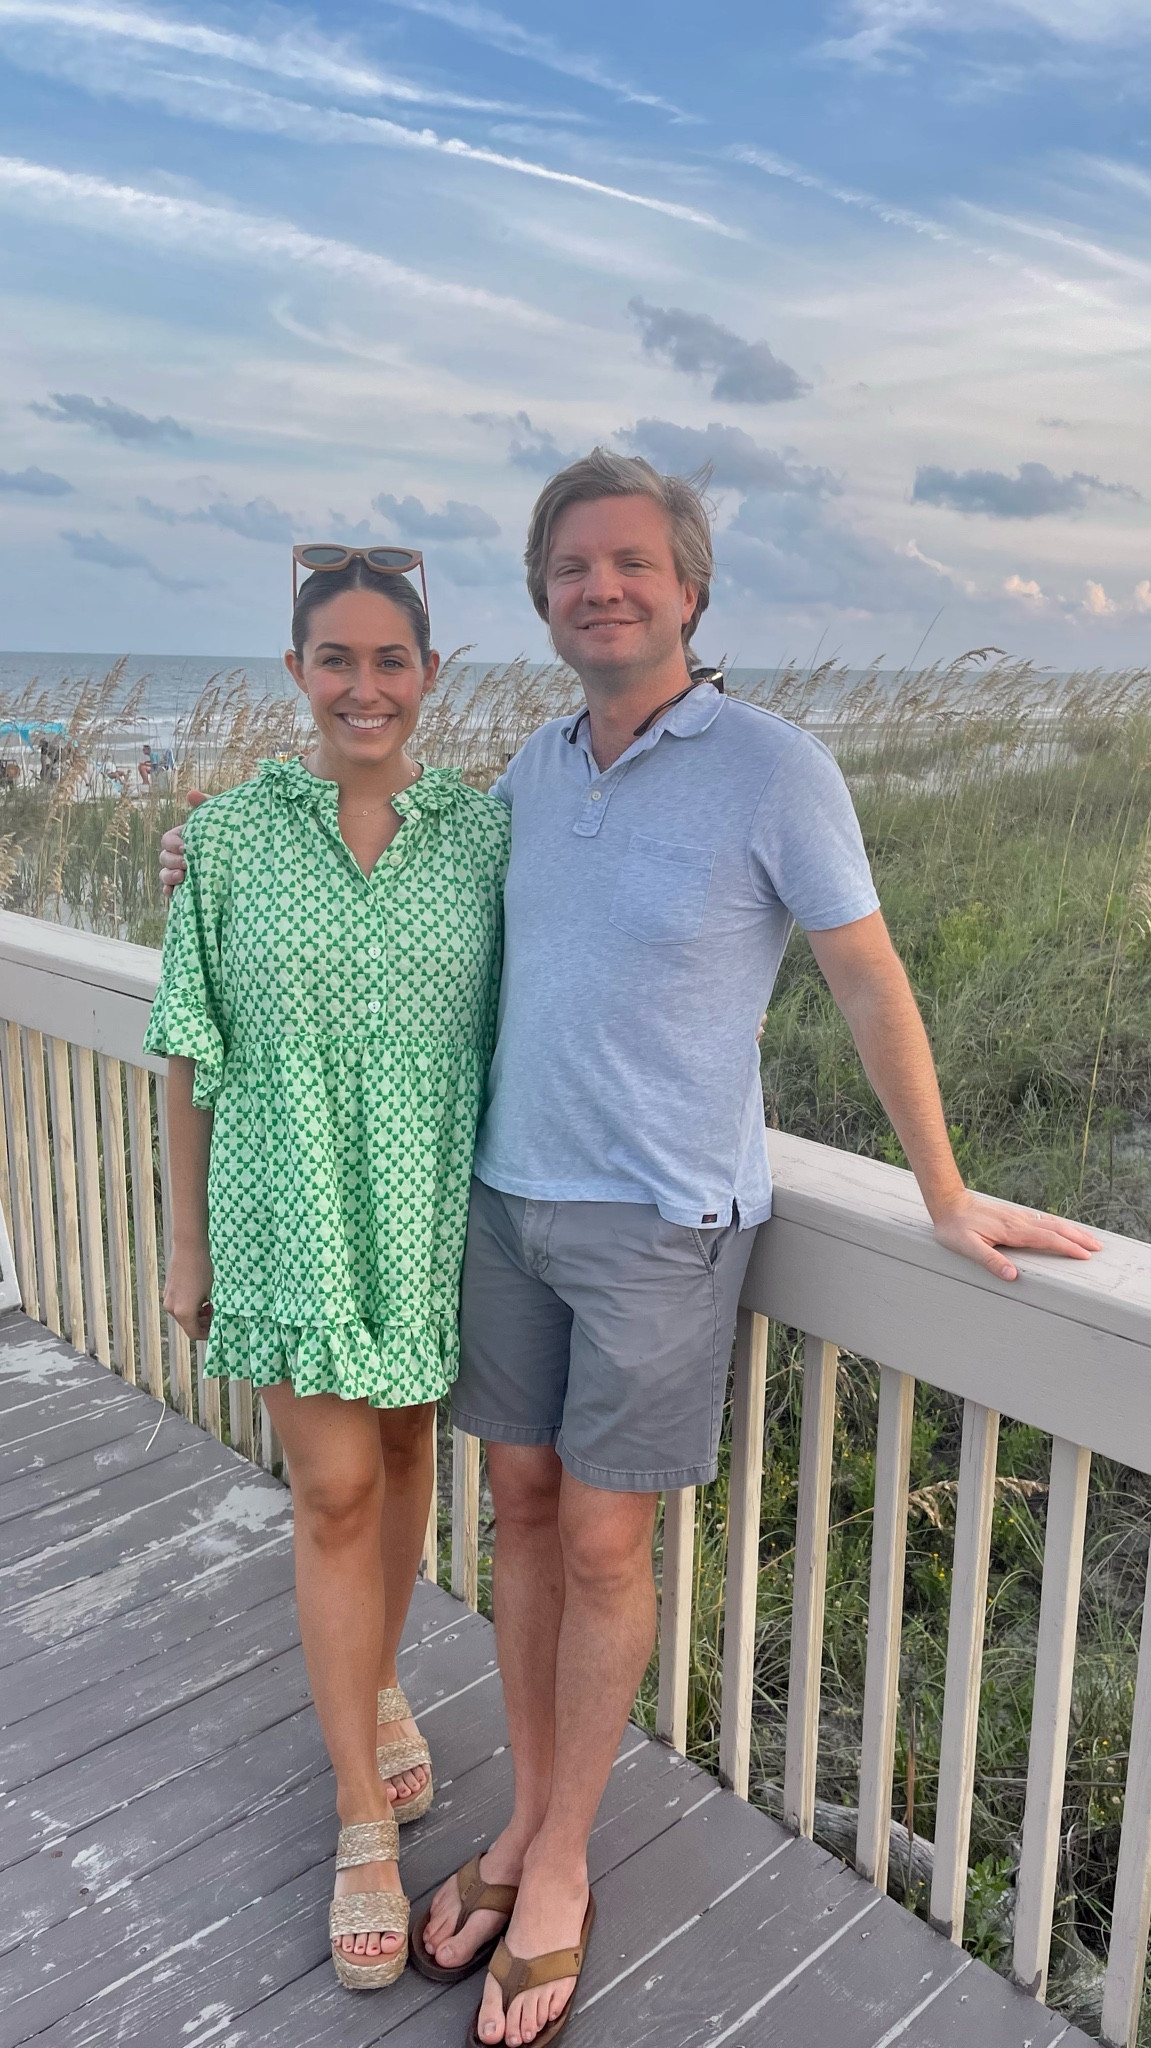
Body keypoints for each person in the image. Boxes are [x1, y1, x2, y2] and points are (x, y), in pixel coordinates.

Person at [164, 453, 1100, 2047]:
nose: (602, 587)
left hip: (665, 1222)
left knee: (604, 1548)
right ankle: (527, 1816)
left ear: (690, 589)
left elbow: (868, 980)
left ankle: (563, 1863)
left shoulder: (777, 768)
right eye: (572, 567)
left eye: (632, 563)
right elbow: (373, 865)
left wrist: (943, 1189)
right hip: (503, 1203)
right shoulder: (528, 775)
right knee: (523, 1513)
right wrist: (213, 856)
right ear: (540, 601)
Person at [148, 549, 509, 1991]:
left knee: (409, 1458)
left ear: (430, 674)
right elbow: (188, 1046)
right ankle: (362, 1815)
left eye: (391, 660)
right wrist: (186, 1241)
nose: (366, 687)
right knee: (336, 1489)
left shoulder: (484, 839)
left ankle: (379, 1678)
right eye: (337, 659)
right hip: (283, 1209)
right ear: (296, 671)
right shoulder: (226, 841)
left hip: (425, 1216)